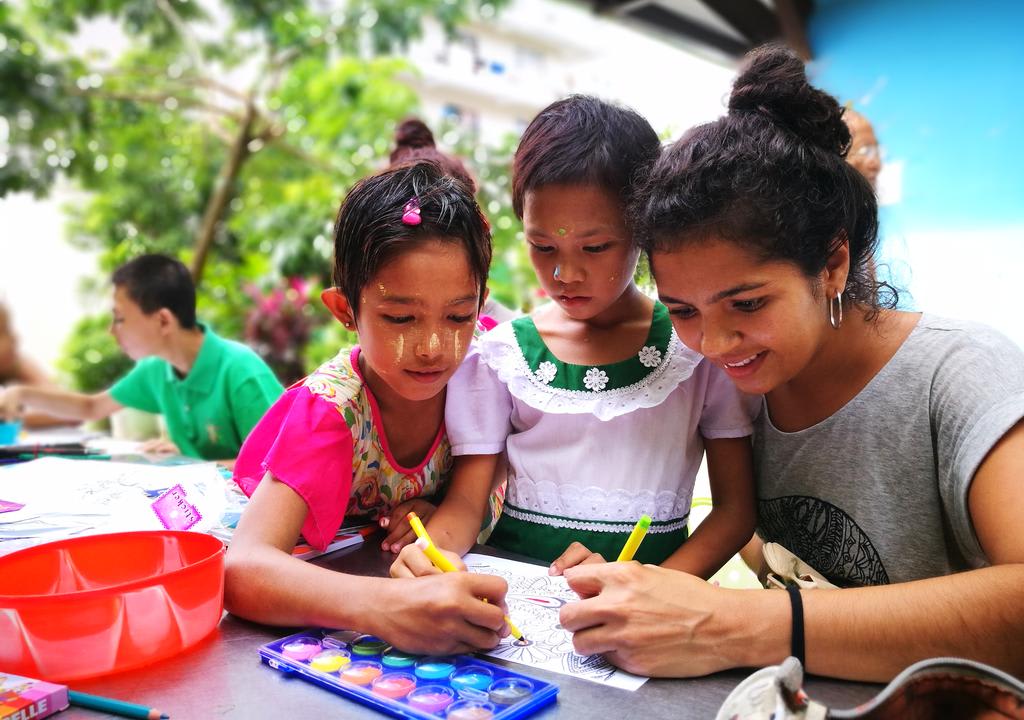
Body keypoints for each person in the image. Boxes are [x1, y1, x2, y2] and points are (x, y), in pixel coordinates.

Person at [557, 44, 1024, 682]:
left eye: (746, 302)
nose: (716, 344)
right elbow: (743, 531)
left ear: (832, 265)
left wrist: (730, 624)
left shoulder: (962, 374)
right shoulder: (740, 390)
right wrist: (641, 586)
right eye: (684, 311)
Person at [392, 95, 758, 581]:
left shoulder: (696, 350)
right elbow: (466, 502)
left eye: (595, 247)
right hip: (517, 601)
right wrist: (430, 555)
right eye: (543, 246)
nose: (565, 273)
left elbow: (736, 512)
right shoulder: (502, 358)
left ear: (643, 229)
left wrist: (657, 590)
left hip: (650, 619)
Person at [224, 161, 511, 654]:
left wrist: (431, 539)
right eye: (400, 317)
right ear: (345, 312)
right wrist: (383, 606)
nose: (433, 347)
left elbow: (468, 501)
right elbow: (243, 567)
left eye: (460, 315)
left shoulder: (480, 370)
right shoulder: (333, 413)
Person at [0, 255, 283, 463]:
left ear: (162, 320)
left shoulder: (241, 373)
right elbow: (91, 407)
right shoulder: (157, 369)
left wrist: (193, 467)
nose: (112, 330)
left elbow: (277, 466)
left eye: (120, 318)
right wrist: (21, 393)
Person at [0, 301, 68, 428]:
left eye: (9, 329)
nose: (15, 338)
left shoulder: (18, 364)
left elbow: (65, 406)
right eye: (2, 332)